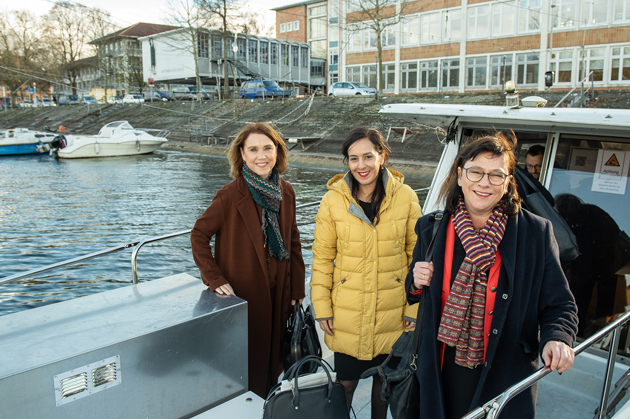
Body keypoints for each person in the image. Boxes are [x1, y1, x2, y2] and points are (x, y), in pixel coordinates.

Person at [406, 133, 578, 419]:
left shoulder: (535, 233)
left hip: (504, 370)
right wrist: (415, 281)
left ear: (508, 182)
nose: (484, 183)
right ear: (460, 176)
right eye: (475, 172)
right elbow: (413, 294)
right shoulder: (430, 228)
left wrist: (557, 337)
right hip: (440, 366)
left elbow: (560, 304)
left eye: (496, 176)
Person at [311, 127, 422, 419]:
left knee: (384, 384)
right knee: (345, 384)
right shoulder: (333, 200)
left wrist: (414, 307)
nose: (361, 165)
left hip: (392, 311)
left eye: (368, 156)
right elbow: (322, 259)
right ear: (347, 162)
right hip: (349, 313)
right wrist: (322, 308)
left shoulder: (406, 197)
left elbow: (419, 257)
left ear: (382, 156)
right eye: (353, 158)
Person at [190, 122, 305, 398]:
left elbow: (293, 241)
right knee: (248, 368)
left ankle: (268, 405)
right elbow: (199, 235)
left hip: (280, 297)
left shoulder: (285, 191)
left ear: (277, 151)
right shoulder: (230, 195)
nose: (261, 156)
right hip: (245, 298)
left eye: (268, 148)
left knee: (274, 364)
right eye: (253, 149)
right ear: (242, 154)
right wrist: (215, 278)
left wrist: (298, 289)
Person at [556, 193, 621, 337]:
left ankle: (596, 336)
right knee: (587, 304)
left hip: (601, 264)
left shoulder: (584, 216)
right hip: (598, 264)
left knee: (586, 303)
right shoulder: (592, 212)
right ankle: (589, 334)